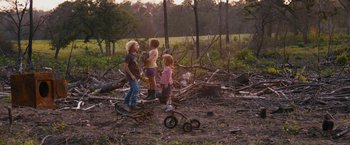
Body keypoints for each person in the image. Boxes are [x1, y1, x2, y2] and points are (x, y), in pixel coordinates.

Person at [122, 40, 141, 111]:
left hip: (135, 75)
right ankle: (133, 104)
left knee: (132, 89)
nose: (138, 46)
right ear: (132, 46)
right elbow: (126, 67)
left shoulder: (134, 55)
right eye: (136, 45)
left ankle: (125, 102)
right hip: (131, 76)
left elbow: (135, 66)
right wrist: (131, 75)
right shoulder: (128, 56)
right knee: (136, 89)